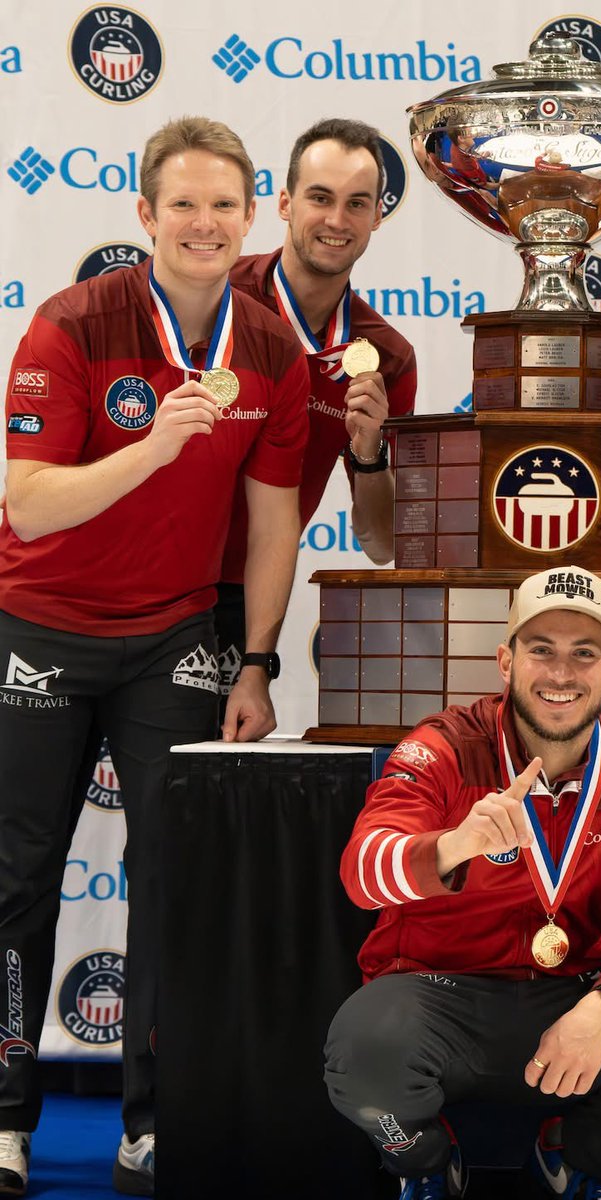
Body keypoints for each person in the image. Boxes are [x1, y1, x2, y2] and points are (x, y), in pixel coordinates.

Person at [0, 117, 308, 1196]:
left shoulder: (272, 349)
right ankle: (4, 1122)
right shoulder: (73, 325)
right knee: (17, 876)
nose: (204, 223)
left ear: (249, 216)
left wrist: (258, 663)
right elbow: (29, 506)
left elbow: (275, 525)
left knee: (172, 878)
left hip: (175, 635)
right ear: (144, 216)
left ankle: (154, 1122)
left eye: (224, 204)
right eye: (183, 203)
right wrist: (156, 446)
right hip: (37, 625)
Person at [323, 566, 601, 1200]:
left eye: (585, 653)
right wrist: (453, 846)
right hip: (440, 998)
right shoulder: (443, 745)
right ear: (505, 660)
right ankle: (425, 1162)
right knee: (364, 1051)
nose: (560, 674)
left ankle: (575, 1156)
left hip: (573, 997)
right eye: (540, 650)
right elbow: (363, 871)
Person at [221, 117, 416, 690]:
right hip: (147, 576)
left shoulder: (386, 357)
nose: (336, 220)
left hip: (241, 596)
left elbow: (380, 544)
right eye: (320, 198)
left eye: (357, 203)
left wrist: (370, 451)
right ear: (283, 202)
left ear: (379, 215)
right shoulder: (212, 298)